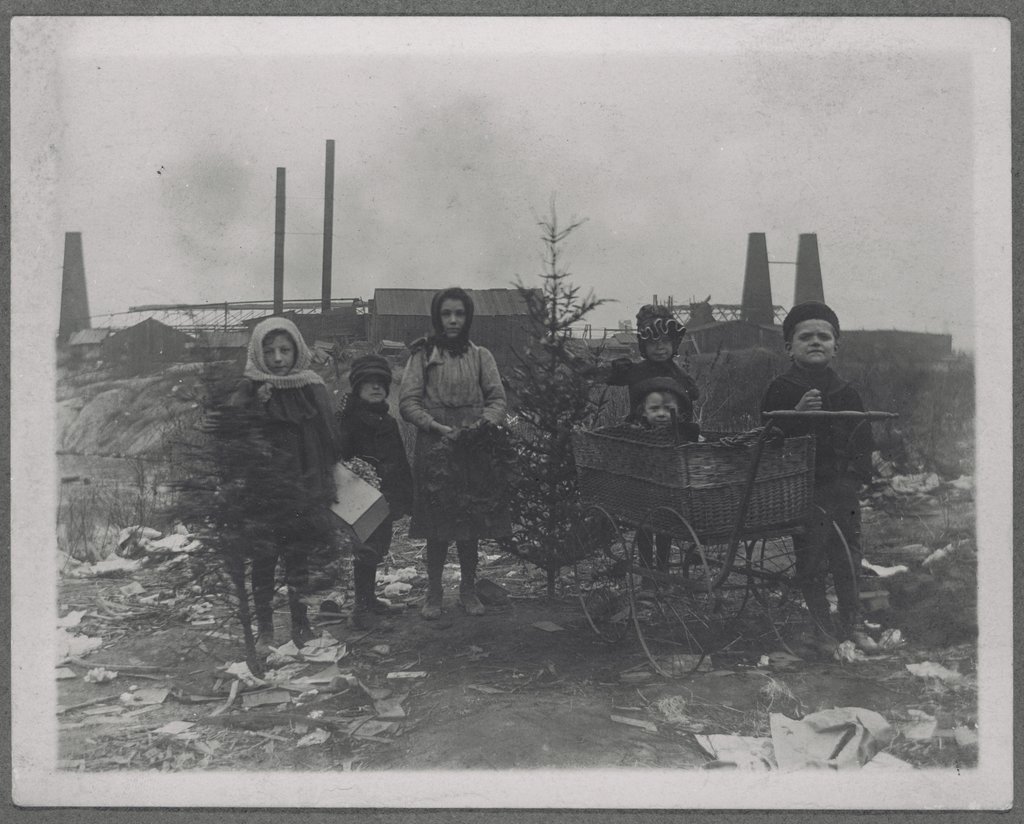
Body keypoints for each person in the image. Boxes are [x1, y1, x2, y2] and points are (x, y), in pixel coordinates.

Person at [761, 300, 875, 655]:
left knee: (849, 554)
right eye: (805, 336)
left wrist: (858, 476)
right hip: (801, 488)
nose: (815, 342)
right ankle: (821, 626)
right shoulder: (781, 389)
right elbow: (766, 438)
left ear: (836, 346)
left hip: (842, 488)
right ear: (788, 347)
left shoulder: (846, 391)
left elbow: (862, 439)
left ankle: (851, 623)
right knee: (812, 555)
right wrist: (794, 415)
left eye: (824, 336)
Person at [399, 287, 510, 620]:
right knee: (437, 525)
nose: (452, 320)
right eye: (446, 313)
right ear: (437, 316)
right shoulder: (422, 356)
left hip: (473, 447)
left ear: (468, 317)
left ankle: (468, 590)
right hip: (436, 446)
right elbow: (407, 402)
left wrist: (481, 426)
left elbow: (498, 401)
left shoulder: (481, 356)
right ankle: (433, 593)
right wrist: (436, 426)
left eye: (459, 314)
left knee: (470, 522)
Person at [229, 317, 340, 652]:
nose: (277, 358)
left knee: (298, 559)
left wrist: (323, 484)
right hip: (263, 492)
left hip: (303, 489)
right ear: (258, 353)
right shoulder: (250, 387)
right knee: (263, 561)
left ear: (298, 351)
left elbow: (329, 436)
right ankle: (264, 629)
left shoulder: (311, 386)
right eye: (269, 351)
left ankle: (300, 623)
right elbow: (233, 434)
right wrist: (253, 406)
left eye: (285, 350)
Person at [335, 354, 413, 630]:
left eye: (381, 383)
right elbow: (340, 458)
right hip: (362, 498)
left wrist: (405, 494)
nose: (376, 387)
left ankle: (369, 599)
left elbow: (400, 459)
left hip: (387, 496)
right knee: (366, 550)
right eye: (368, 383)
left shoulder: (387, 421)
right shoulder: (349, 420)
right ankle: (361, 609)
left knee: (380, 546)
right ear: (357, 387)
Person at [623, 376, 701, 584]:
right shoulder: (638, 432)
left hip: (670, 492)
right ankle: (647, 573)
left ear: (679, 411)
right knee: (645, 530)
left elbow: (698, 443)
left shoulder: (683, 430)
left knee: (666, 531)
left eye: (668, 409)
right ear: (643, 411)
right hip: (644, 493)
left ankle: (663, 569)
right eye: (655, 409)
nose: (661, 414)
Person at [606, 303, 700, 413]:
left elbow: (691, 399)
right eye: (652, 342)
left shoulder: (679, 375)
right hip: (639, 428)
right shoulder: (634, 371)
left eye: (665, 341)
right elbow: (605, 377)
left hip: (672, 428)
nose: (660, 347)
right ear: (644, 345)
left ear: (673, 343)